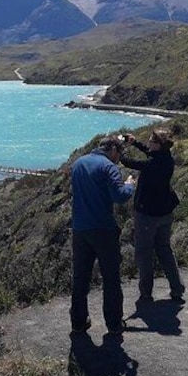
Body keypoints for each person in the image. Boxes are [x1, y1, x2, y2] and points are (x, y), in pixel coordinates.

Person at [70, 137, 135, 341]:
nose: (120, 157)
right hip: (103, 230)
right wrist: (130, 185)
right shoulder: (109, 167)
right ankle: (114, 324)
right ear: (113, 149)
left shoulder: (78, 163)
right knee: (111, 278)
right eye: (120, 152)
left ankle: (79, 322)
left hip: (80, 229)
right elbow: (120, 196)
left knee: (80, 277)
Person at [121, 130, 186, 304]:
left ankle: (146, 294)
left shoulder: (152, 164)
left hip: (148, 215)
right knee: (164, 249)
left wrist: (120, 150)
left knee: (144, 254)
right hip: (165, 212)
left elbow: (129, 162)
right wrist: (136, 143)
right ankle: (177, 288)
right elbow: (151, 153)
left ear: (158, 144)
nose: (148, 143)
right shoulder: (167, 158)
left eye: (150, 141)